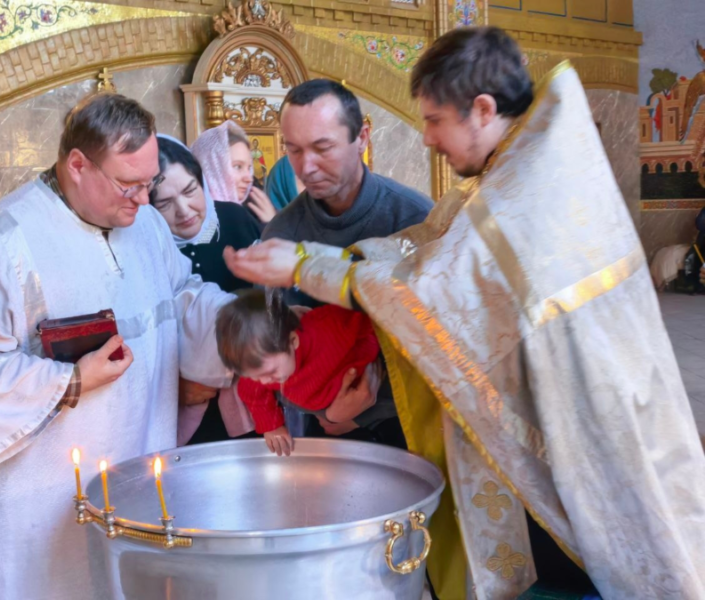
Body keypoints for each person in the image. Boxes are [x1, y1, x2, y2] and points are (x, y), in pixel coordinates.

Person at [224, 27, 705, 600]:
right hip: (550, 411)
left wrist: (307, 266)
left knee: (595, 564)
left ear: (481, 110)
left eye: (434, 120)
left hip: (581, 424)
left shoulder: (528, 186)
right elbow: (426, 249)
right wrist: (310, 261)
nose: (427, 138)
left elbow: (438, 286)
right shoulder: (512, 170)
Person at [0, 94, 234, 600]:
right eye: (128, 184)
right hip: (33, 500)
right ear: (77, 165)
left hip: (131, 467)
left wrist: (237, 323)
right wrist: (71, 380)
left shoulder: (147, 226)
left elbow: (178, 298)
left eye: (149, 182)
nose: (143, 199)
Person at [262, 78, 433, 308]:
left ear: (361, 138)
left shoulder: (415, 220)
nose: (307, 167)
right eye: (294, 150)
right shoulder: (281, 234)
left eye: (322, 148)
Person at [150, 134, 260, 444]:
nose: (184, 210)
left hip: (254, 407)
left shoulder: (234, 219)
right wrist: (175, 388)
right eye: (164, 203)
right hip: (180, 416)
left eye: (190, 191)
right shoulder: (145, 248)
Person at [215, 290, 403, 456]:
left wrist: (370, 353)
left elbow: (371, 318)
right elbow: (252, 393)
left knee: (396, 400)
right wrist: (272, 426)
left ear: (293, 341)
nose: (263, 382)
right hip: (321, 402)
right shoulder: (262, 367)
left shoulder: (329, 327)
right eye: (255, 376)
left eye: (271, 372)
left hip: (365, 381)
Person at [191, 120, 277, 225]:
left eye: (249, 168)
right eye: (237, 167)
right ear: (212, 169)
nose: (249, 179)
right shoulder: (194, 221)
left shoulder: (252, 211)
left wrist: (271, 222)